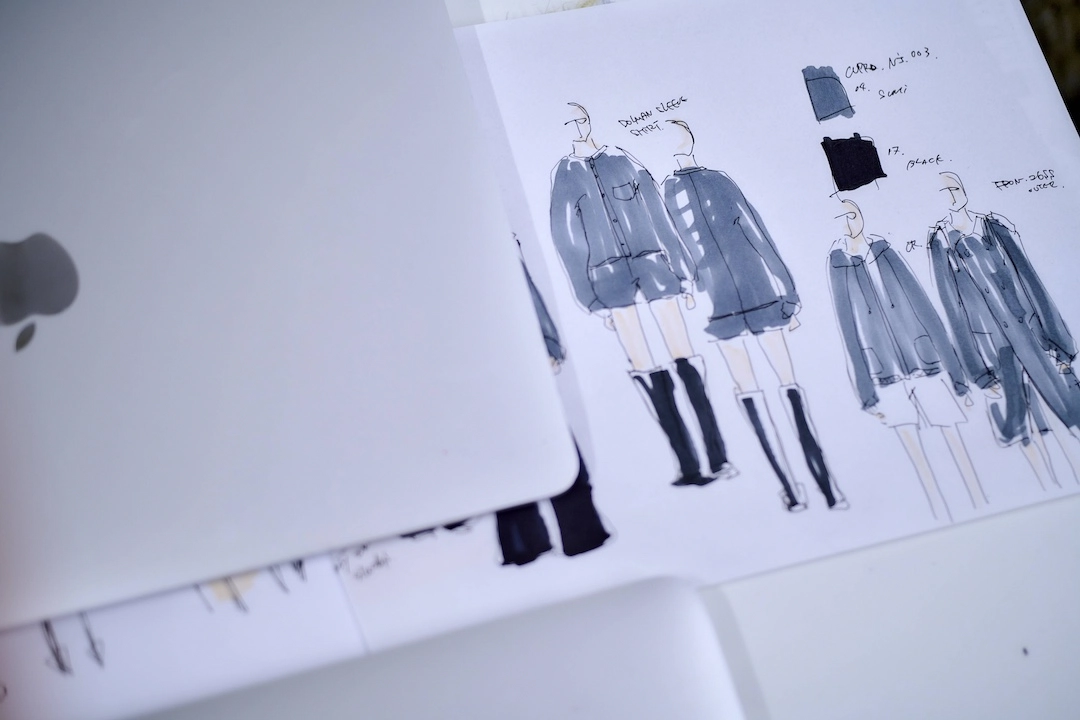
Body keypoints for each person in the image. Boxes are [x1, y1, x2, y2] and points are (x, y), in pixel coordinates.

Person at [660, 119, 843, 511]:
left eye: (681, 140)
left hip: (761, 293)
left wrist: (788, 290)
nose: (677, 147)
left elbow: (757, 231)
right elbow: (676, 250)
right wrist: (690, 289)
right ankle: (789, 488)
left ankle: (825, 485)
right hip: (718, 306)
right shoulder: (665, 193)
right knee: (750, 393)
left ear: (691, 141)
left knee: (788, 386)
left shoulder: (718, 180)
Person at [550, 103, 735, 487]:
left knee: (683, 355)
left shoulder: (622, 159)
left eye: (578, 120)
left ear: (587, 120)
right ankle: (687, 464)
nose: (574, 128)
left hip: (655, 267)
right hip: (608, 279)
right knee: (644, 365)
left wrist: (684, 271)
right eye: (566, 124)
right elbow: (566, 238)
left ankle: (717, 457)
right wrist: (589, 297)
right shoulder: (565, 175)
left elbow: (658, 212)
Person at [829, 199, 985, 520]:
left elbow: (925, 308)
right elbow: (847, 327)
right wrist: (866, 393)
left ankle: (978, 502)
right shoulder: (837, 264)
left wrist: (957, 378)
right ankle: (939, 515)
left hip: (927, 364)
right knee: (917, 458)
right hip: (884, 375)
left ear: (861, 215)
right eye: (840, 218)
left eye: (852, 215)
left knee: (956, 442)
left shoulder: (886, 252)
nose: (848, 223)